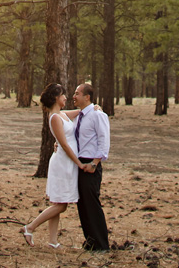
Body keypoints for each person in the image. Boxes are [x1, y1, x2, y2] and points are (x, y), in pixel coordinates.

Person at [22, 83, 85, 248]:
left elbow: (82, 112)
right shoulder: (55, 117)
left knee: (58, 203)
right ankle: (30, 227)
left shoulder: (62, 114)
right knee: (61, 205)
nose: (66, 97)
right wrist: (79, 163)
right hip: (63, 163)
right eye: (63, 95)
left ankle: (53, 241)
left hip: (67, 162)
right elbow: (64, 144)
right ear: (56, 98)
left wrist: (95, 107)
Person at [72, 82, 110, 251]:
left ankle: (101, 244)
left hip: (91, 164)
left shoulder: (97, 115)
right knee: (82, 205)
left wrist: (95, 163)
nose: (74, 96)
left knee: (92, 204)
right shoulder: (79, 116)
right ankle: (90, 241)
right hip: (79, 164)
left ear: (87, 97)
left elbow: (104, 141)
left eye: (77, 93)